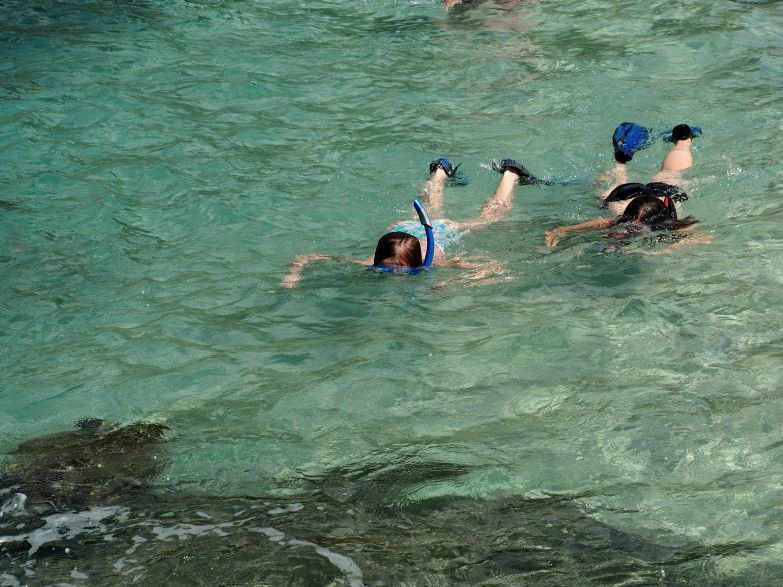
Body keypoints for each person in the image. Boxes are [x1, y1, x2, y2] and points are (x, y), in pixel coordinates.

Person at [281, 158, 531, 288]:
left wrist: (449, 283)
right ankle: (441, 172)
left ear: (416, 264)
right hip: (403, 230)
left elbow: (494, 268)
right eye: (386, 270)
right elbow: (306, 258)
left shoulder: (436, 260)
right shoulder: (370, 264)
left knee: (489, 218)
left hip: (439, 232)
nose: (393, 274)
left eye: (399, 270)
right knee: (431, 208)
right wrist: (293, 276)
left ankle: (511, 174)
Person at [544, 194, 713, 252]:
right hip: (633, 196)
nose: (629, 230)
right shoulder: (622, 220)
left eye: (635, 227)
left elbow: (706, 238)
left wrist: (658, 253)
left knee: (670, 173)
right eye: (629, 224)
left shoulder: (673, 226)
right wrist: (555, 236)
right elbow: (559, 230)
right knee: (610, 199)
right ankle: (619, 165)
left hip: (667, 191)